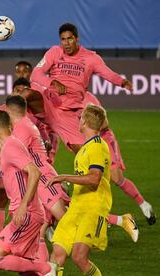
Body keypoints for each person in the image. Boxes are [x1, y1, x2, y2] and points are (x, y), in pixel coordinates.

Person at [30, 22, 132, 154]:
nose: (66, 43)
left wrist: (122, 82)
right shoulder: (54, 52)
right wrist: (52, 82)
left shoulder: (91, 58)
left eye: (70, 38)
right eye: (63, 39)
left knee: (83, 152)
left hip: (67, 112)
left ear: (77, 39)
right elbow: (36, 74)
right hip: (49, 102)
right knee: (28, 92)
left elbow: (107, 73)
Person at [0, 110, 56, 275]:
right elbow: (14, 182)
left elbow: (35, 172)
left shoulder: (11, 146)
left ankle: (47, 268)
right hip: (28, 213)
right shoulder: (9, 147)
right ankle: (44, 270)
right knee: (25, 268)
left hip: (26, 214)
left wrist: (23, 205)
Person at [46, 104, 113, 275]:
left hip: (92, 209)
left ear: (84, 122)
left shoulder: (97, 146)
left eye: (80, 117)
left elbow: (94, 179)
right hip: (76, 208)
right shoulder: (86, 147)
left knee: (79, 257)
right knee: (57, 253)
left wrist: (64, 177)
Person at [84, 92, 156, 225]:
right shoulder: (66, 100)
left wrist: (90, 127)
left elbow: (105, 123)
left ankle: (144, 205)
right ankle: (104, 217)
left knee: (117, 178)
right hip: (89, 144)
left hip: (104, 139)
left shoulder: (89, 98)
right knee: (93, 180)